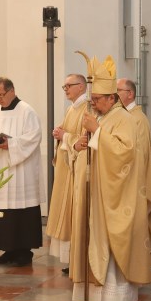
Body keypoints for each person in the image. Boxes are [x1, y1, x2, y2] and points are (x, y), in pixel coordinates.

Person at [71, 56, 151, 301]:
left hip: (115, 196)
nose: (93, 104)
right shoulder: (102, 117)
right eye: (92, 100)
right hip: (96, 192)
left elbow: (125, 153)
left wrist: (97, 133)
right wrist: (80, 145)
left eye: (97, 100)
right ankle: (95, 297)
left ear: (112, 99)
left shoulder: (124, 119)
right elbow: (92, 146)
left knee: (109, 243)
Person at [0, 77, 44, 266]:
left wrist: (11, 145)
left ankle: (24, 252)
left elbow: (33, 138)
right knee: (2, 212)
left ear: (11, 91)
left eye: (1, 95)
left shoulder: (27, 111)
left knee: (21, 212)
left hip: (20, 171)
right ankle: (8, 250)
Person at [117, 77, 151, 268]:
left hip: (133, 182)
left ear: (130, 94)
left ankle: (135, 265)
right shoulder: (123, 116)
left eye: (118, 90)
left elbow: (137, 155)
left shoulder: (137, 119)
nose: (114, 94)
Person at [46, 74, 88, 267]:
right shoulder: (72, 108)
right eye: (64, 87)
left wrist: (64, 136)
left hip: (76, 169)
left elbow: (84, 141)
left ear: (81, 86)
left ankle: (76, 259)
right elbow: (69, 135)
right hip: (66, 168)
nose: (65, 89)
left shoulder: (87, 108)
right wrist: (59, 134)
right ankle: (70, 260)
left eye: (68, 86)